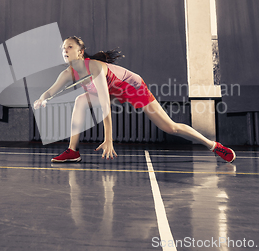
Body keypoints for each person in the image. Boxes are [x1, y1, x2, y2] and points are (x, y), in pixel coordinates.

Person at [33, 36, 236, 163]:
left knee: (170, 127)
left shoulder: (93, 67)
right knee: (79, 101)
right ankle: (72, 151)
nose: (65, 51)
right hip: (113, 89)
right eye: (63, 49)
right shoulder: (68, 73)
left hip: (132, 88)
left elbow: (104, 105)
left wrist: (109, 139)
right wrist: (42, 99)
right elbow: (51, 91)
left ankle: (213, 145)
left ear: (80, 51)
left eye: (69, 47)